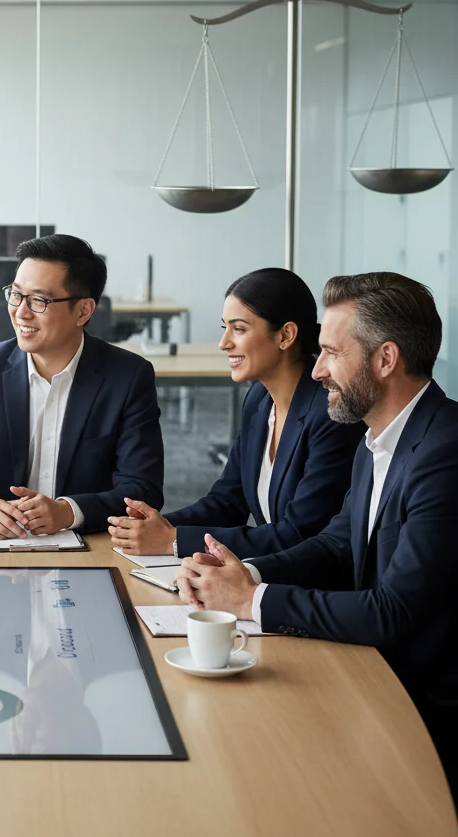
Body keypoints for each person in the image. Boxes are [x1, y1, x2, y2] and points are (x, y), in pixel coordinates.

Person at [174, 272, 458, 800]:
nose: (319, 369)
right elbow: (334, 544)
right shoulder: (378, 439)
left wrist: (252, 599)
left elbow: (392, 612)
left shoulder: (444, 453)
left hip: (421, 710)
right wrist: (244, 574)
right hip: (371, 676)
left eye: (330, 352)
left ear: (385, 359)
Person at [109, 268, 364, 559]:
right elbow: (228, 500)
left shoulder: (329, 413)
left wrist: (174, 540)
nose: (224, 343)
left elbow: (300, 533)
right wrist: (161, 525)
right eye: (224, 328)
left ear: (286, 335)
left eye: (239, 329)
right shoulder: (258, 398)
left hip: (310, 586)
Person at [0, 234, 164, 537]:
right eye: (15, 295)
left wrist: (68, 512)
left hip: (90, 543)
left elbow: (143, 490)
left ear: (83, 311)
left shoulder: (128, 378)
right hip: (2, 546)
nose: (21, 312)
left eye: (39, 300)